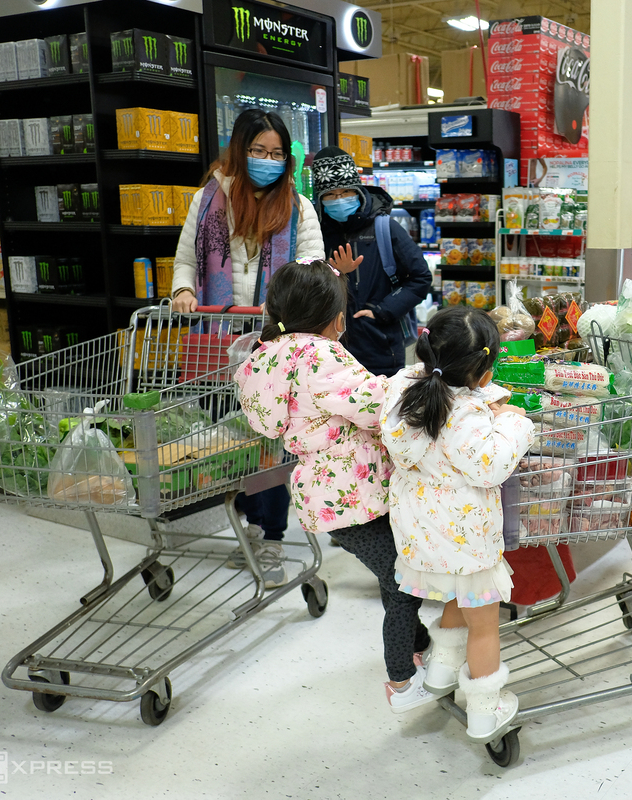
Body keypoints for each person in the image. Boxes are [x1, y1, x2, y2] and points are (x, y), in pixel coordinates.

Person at [233, 258, 436, 713]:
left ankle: (420, 642)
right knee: (403, 578)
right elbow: (372, 404)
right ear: (333, 315)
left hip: (322, 494)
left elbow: (267, 422)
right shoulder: (319, 354)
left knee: (395, 569)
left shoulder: (266, 356)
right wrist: (415, 384)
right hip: (354, 492)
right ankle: (402, 679)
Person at [170, 108, 325, 588]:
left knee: (272, 443)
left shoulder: (298, 206)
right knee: (227, 440)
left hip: (271, 344)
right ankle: (247, 523)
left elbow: (313, 264)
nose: (267, 160)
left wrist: (294, 301)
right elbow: (185, 258)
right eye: (258, 151)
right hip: (216, 341)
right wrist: (182, 292)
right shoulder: (207, 200)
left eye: (277, 153)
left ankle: (272, 535)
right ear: (240, 149)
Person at [379, 307, 536, 742]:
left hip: (421, 531)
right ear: (482, 373)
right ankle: (487, 710)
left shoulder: (401, 390)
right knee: (484, 623)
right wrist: (515, 422)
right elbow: (491, 466)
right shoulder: (465, 416)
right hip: (466, 538)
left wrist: (477, 396)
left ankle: (441, 671)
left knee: (457, 594)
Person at [310, 146, 432, 378]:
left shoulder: (385, 228)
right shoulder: (316, 233)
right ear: (320, 198)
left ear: (358, 190)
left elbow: (421, 277)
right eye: (331, 195)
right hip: (327, 348)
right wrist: (335, 273)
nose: (339, 199)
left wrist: (382, 312)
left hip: (380, 345)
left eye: (346, 192)